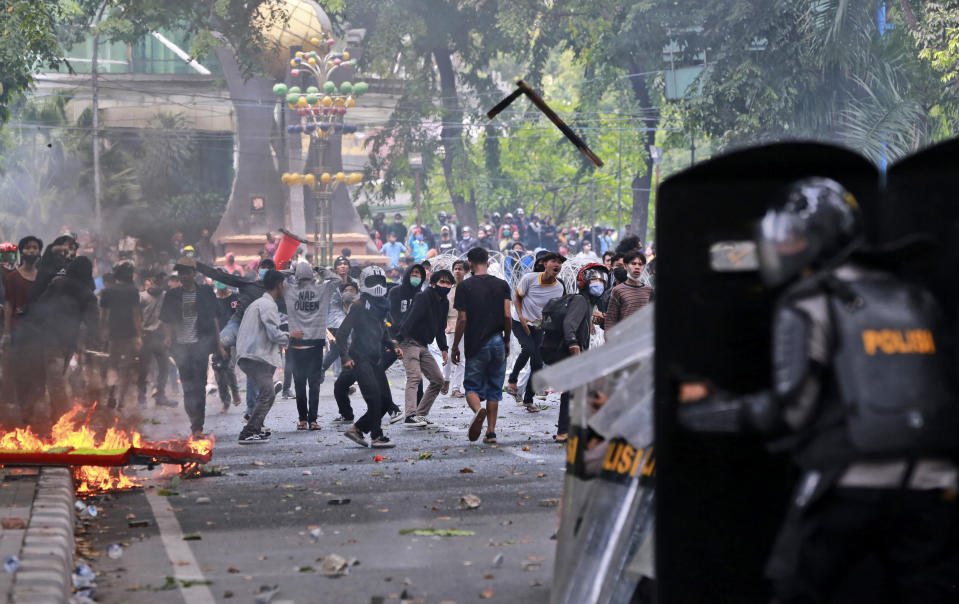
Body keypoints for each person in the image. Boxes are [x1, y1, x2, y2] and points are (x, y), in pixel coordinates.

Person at [678, 177, 959, 603]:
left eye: (794, 240)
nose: (784, 249)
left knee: (794, 590)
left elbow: (792, 410)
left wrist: (707, 410)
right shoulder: (914, 296)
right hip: (934, 484)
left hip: (847, 482)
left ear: (821, 240)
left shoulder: (808, 301)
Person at [14, 256, 99, 427]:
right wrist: (92, 340)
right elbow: (93, 324)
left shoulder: (58, 282)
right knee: (56, 380)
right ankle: (59, 419)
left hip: (50, 339)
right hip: (65, 341)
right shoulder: (87, 294)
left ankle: (44, 416)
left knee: (49, 380)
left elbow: (40, 304)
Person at [540, 263, 610, 443]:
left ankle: (570, 429)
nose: (599, 283)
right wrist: (573, 345)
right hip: (570, 351)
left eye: (602, 280)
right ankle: (565, 431)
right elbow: (569, 324)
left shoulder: (587, 304)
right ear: (584, 281)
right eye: (594, 279)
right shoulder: (580, 300)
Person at [451, 247, 511, 444]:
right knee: (495, 388)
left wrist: (455, 346)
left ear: (469, 264)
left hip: (476, 343)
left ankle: (478, 410)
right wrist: (508, 339)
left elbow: (461, 319)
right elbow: (508, 315)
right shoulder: (502, 284)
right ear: (488, 262)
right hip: (498, 341)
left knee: (471, 386)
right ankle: (491, 433)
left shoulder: (464, 286)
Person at [339, 265, 402, 449]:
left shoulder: (380, 306)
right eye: (373, 281)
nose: (377, 285)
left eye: (380, 281)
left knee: (385, 402)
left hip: (376, 359)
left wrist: (392, 345)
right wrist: (345, 357)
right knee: (374, 397)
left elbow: (381, 331)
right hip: (361, 358)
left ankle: (357, 429)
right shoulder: (358, 306)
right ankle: (377, 435)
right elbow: (342, 334)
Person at [159, 257, 221, 438]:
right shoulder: (172, 295)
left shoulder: (206, 292)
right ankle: (194, 421)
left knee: (199, 386)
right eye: (181, 273)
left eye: (187, 272)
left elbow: (214, 319)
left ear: (194, 273)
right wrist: (169, 338)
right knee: (187, 387)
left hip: (200, 347)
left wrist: (219, 345)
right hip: (181, 348)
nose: (184, 276)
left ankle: (197, 427)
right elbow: (166, 320)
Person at [235, 269, 298, 444]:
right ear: (279, 285)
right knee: (268, 393)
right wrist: (291, 336)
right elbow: (274, 334)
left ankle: (256, 427)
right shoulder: (268, 305)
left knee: (266, 392)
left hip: (251, 355)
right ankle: (249, 431)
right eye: (284, 285)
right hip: (256, 356)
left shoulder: (258, 303)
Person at [284, 261, 339, 431]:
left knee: (299, 385)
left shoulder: (289, 290)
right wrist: (319, 269)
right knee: (314, 385)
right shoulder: (322, 290)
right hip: (315, 345)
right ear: (312, 273)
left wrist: (291, 271)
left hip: (296, 346)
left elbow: (273, 277)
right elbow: (336, 279)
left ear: (296, 275)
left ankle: (302, 420)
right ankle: (313, 421)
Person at [508, 251, 566, 412]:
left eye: (559, 262)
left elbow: (554, 311)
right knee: (528, 348)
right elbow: (517, 298)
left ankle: (528, 400)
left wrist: (546, 324)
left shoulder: (559, 288)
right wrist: (522, 317)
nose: (557, 265)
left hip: (538, 325)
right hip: (519, 321)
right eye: (553, 261)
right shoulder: (530, 279)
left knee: (537, 363)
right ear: (544, 264)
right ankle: (512, 381)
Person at [398, 269, 453, 428]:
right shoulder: (423, 297)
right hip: (409, 341)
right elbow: (411, 318)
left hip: (423, 344)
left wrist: (444, 348)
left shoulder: (444, 302)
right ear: (434, 283)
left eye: (448, 283)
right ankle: (410, 416)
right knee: (415, 377)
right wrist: (398, 341)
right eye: (442, 282)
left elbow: (440, 326)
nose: (446, 285)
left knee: (438, 380)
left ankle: (420, 414)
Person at [100, 262, 142, 410]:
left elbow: (103, 316)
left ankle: (111, 394)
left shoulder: (107, 292)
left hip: (113, 335)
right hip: (129, 334)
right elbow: (136, 314)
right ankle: (121, 400)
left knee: (113, 365)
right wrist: (139, 336)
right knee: (127, 367)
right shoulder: (133, 291)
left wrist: (103, 333)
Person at [138, 272, 174, 407]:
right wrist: (138, 335)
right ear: (149, 280)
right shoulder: (142, 297)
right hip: (145, 336)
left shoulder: (165, 296)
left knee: (164, 367)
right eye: (155, 279)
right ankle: (141, 398)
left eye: (160, 280)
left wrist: (168, 336)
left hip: (159, 336)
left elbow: (167, 318)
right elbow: (136, 316)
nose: (157, 282)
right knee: (143, 369)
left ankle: (161, 396)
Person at [2, 235, 42, 346]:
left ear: (39, 252)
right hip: (18, 329)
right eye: (28, 248)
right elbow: (9, 305)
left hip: (38, 332)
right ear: (22, 252)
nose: (32, 251)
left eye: (35, 248)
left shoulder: (43, 278)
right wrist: (6, 333)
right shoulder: (12, 277)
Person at [604, 250, 653, 331]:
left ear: (643, 267)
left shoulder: (649, 291)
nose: (637, 267)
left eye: (640, 264)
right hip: (624, 339)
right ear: (626, 266)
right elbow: (610, 321)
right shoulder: (617, 291)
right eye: (633, 264)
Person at [212, 281, 241, 412]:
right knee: (219, 371)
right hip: (218, 340)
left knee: (229, 367)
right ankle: (225, 400)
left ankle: (235, 393)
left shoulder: (235, 297)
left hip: (233, 338)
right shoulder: (213, 299)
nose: (221, 291)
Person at [444, 260, 468, 398]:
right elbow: (444, 308)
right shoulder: (448, 288)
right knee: (447, 355)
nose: (457, 271)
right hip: (451, 324)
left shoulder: (468, 288)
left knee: (462, 357)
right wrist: (445, 323)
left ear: (465, 272)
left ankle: (456, 388)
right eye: (455, 268)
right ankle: (446, 379)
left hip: (465, 324)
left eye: (460, 268)